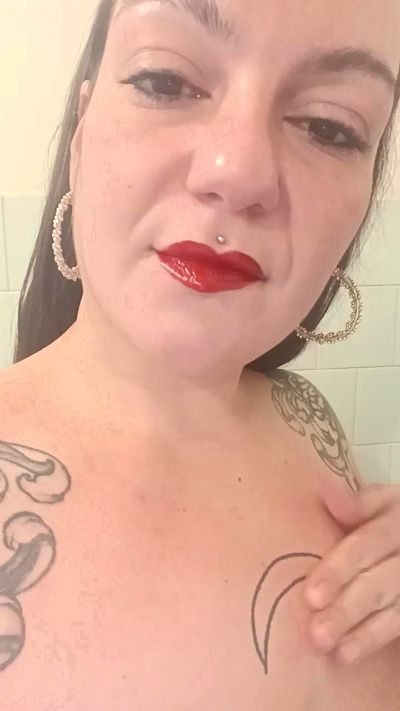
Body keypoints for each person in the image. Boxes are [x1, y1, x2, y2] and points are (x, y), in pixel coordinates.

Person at [0, 0, 399, 708]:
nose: (238, 170)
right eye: (165, 81)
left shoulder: (308, 419)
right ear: (81, 135)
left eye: (328, 126)